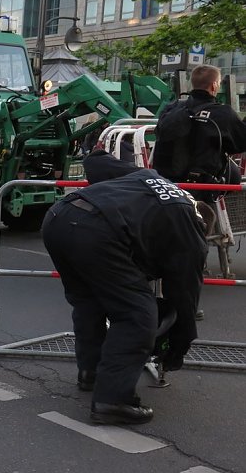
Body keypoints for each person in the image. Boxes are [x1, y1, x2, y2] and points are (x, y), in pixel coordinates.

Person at [41, 151, 207, 425]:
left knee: (89, 302)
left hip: (59, 217)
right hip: (97, 231)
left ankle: (92, 373)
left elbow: (97, 163)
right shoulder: (189, 231)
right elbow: (185, 296)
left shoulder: (151, 179)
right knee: (136, 315)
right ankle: (113, 400)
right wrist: (180, 343)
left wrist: (95, 150)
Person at [154, 64, 246, 198]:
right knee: (233, 174)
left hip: (166, 184)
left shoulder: (172, 108)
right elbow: (241, 143)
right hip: (201, 188)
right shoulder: (222, 113)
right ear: (214, 85)